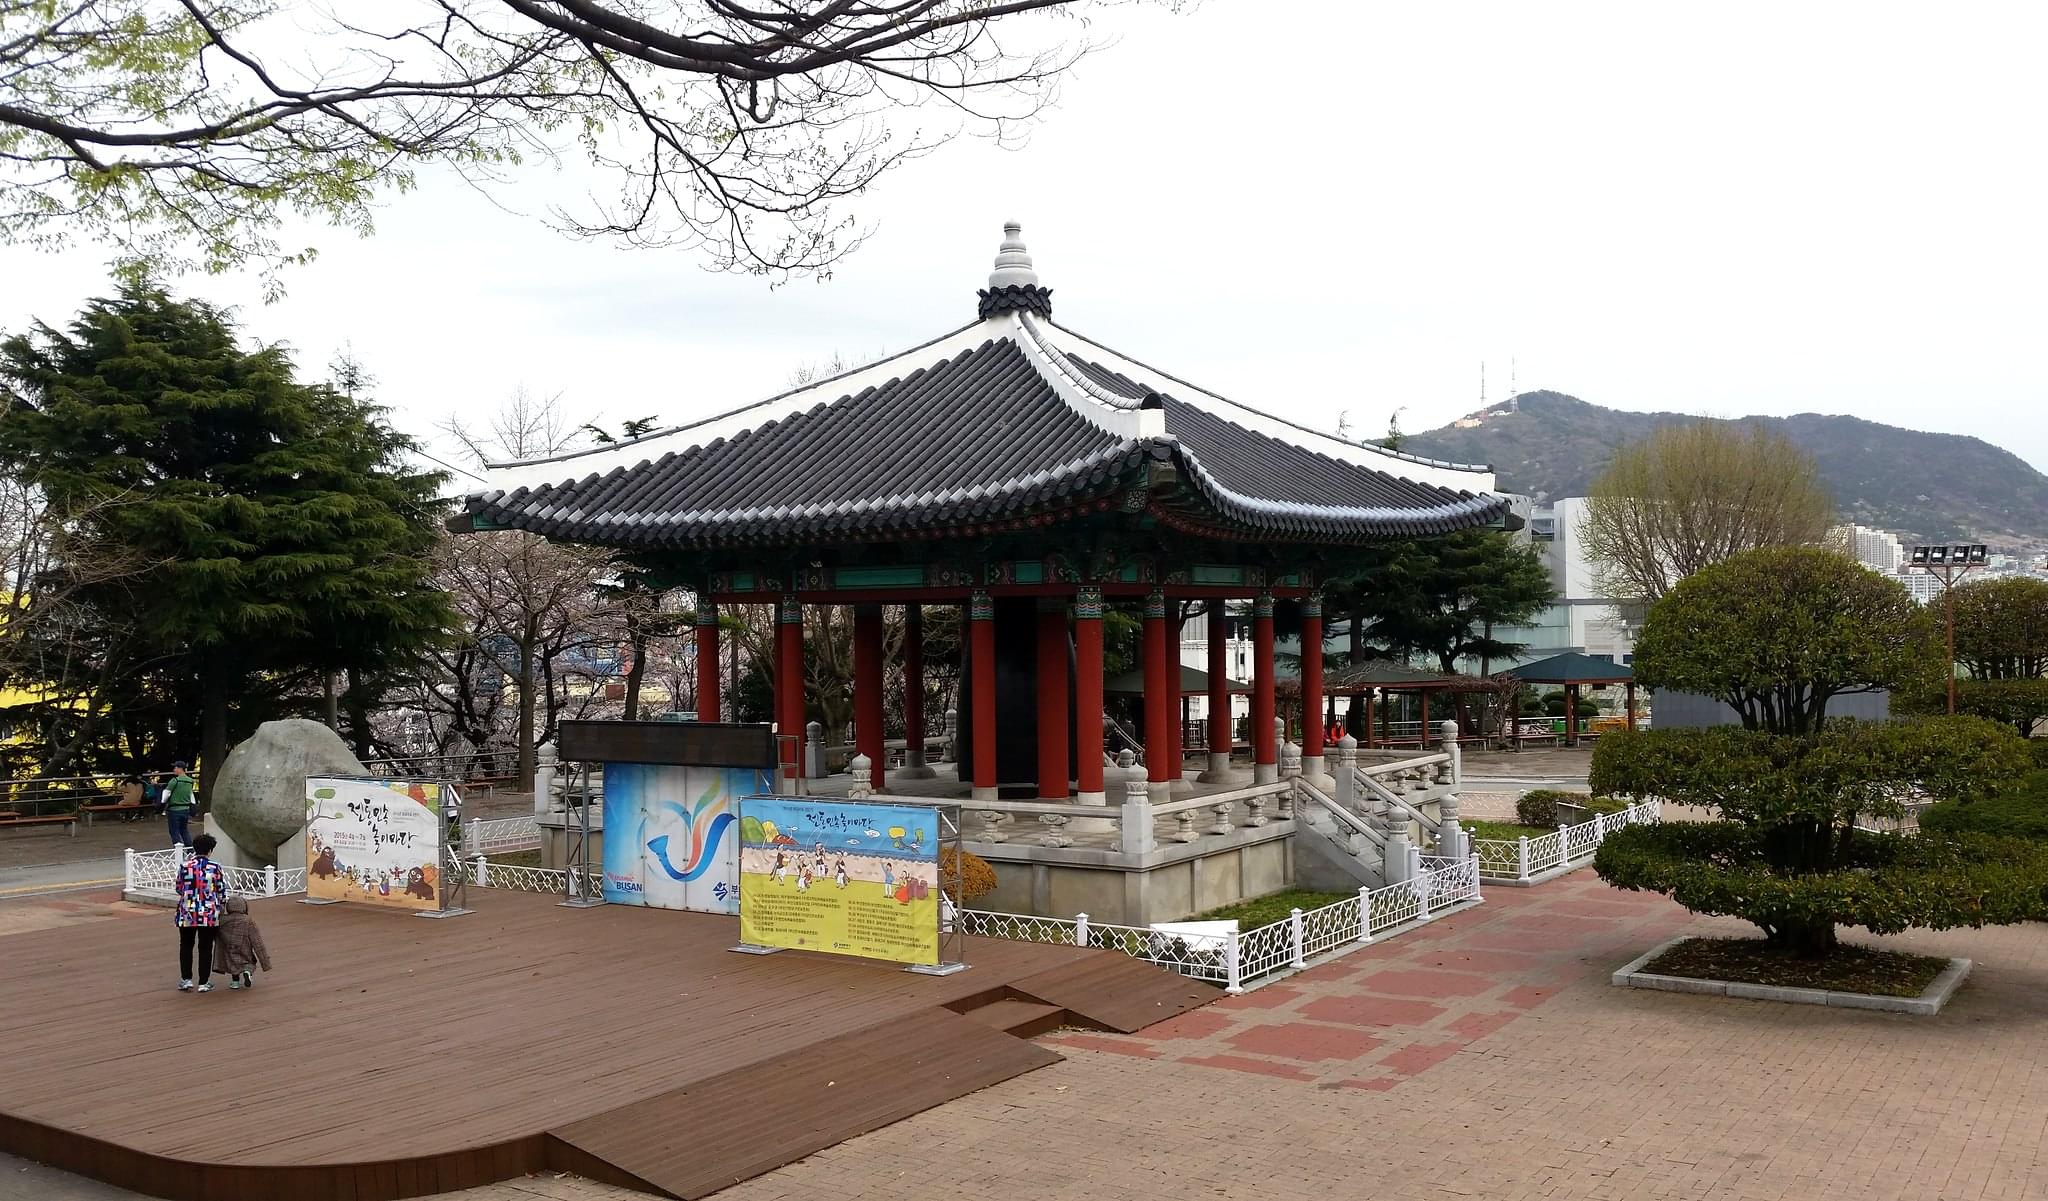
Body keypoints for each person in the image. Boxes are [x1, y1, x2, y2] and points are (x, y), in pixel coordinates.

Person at [175, 833, 228, 992]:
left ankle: (186, 979)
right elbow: (221, 890)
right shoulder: (215, 867)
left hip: (187, 912)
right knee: (205, 947)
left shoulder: (185, 866)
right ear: (210, 850)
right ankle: (204, 982)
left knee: (186, 944)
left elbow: (179, 887)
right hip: (209, 913)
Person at [213, 897, 272, 990]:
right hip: (244, 947)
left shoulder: (222, 920)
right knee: (248, 963)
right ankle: (247, 972)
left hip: (228, 948)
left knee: (232, 963)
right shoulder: (247, 920)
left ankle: (235, 982)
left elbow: (215, 926)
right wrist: (266, 963)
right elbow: (257, 942)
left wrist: (221, 907)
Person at [163, 761, 196, 847]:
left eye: (175, 767)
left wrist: (161, 804)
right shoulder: (190, 781)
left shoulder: (175, 780)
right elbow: (190, 794)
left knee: (174, 831)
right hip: (185, 809)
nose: (174, 769)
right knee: (184, 830)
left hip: (174, 809)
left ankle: (179, 850)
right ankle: (190, 849)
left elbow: (167, 793)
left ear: (180, 769)